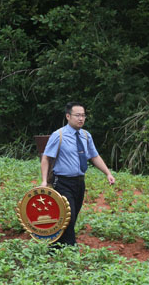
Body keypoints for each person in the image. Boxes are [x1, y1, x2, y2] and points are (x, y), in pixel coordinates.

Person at [40, 102, 115, 246]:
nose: (81, 118)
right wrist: (44, 181)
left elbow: (94, 156)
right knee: (68, 216)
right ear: (68, 116)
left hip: (79, 182)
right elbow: (46, 158)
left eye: (83, 115)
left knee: (72, 217)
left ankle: (55, 246)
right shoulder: (59, 135)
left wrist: (108, 173)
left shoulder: (86, 136)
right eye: (77, 115)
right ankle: (70, 248)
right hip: (62, 182)